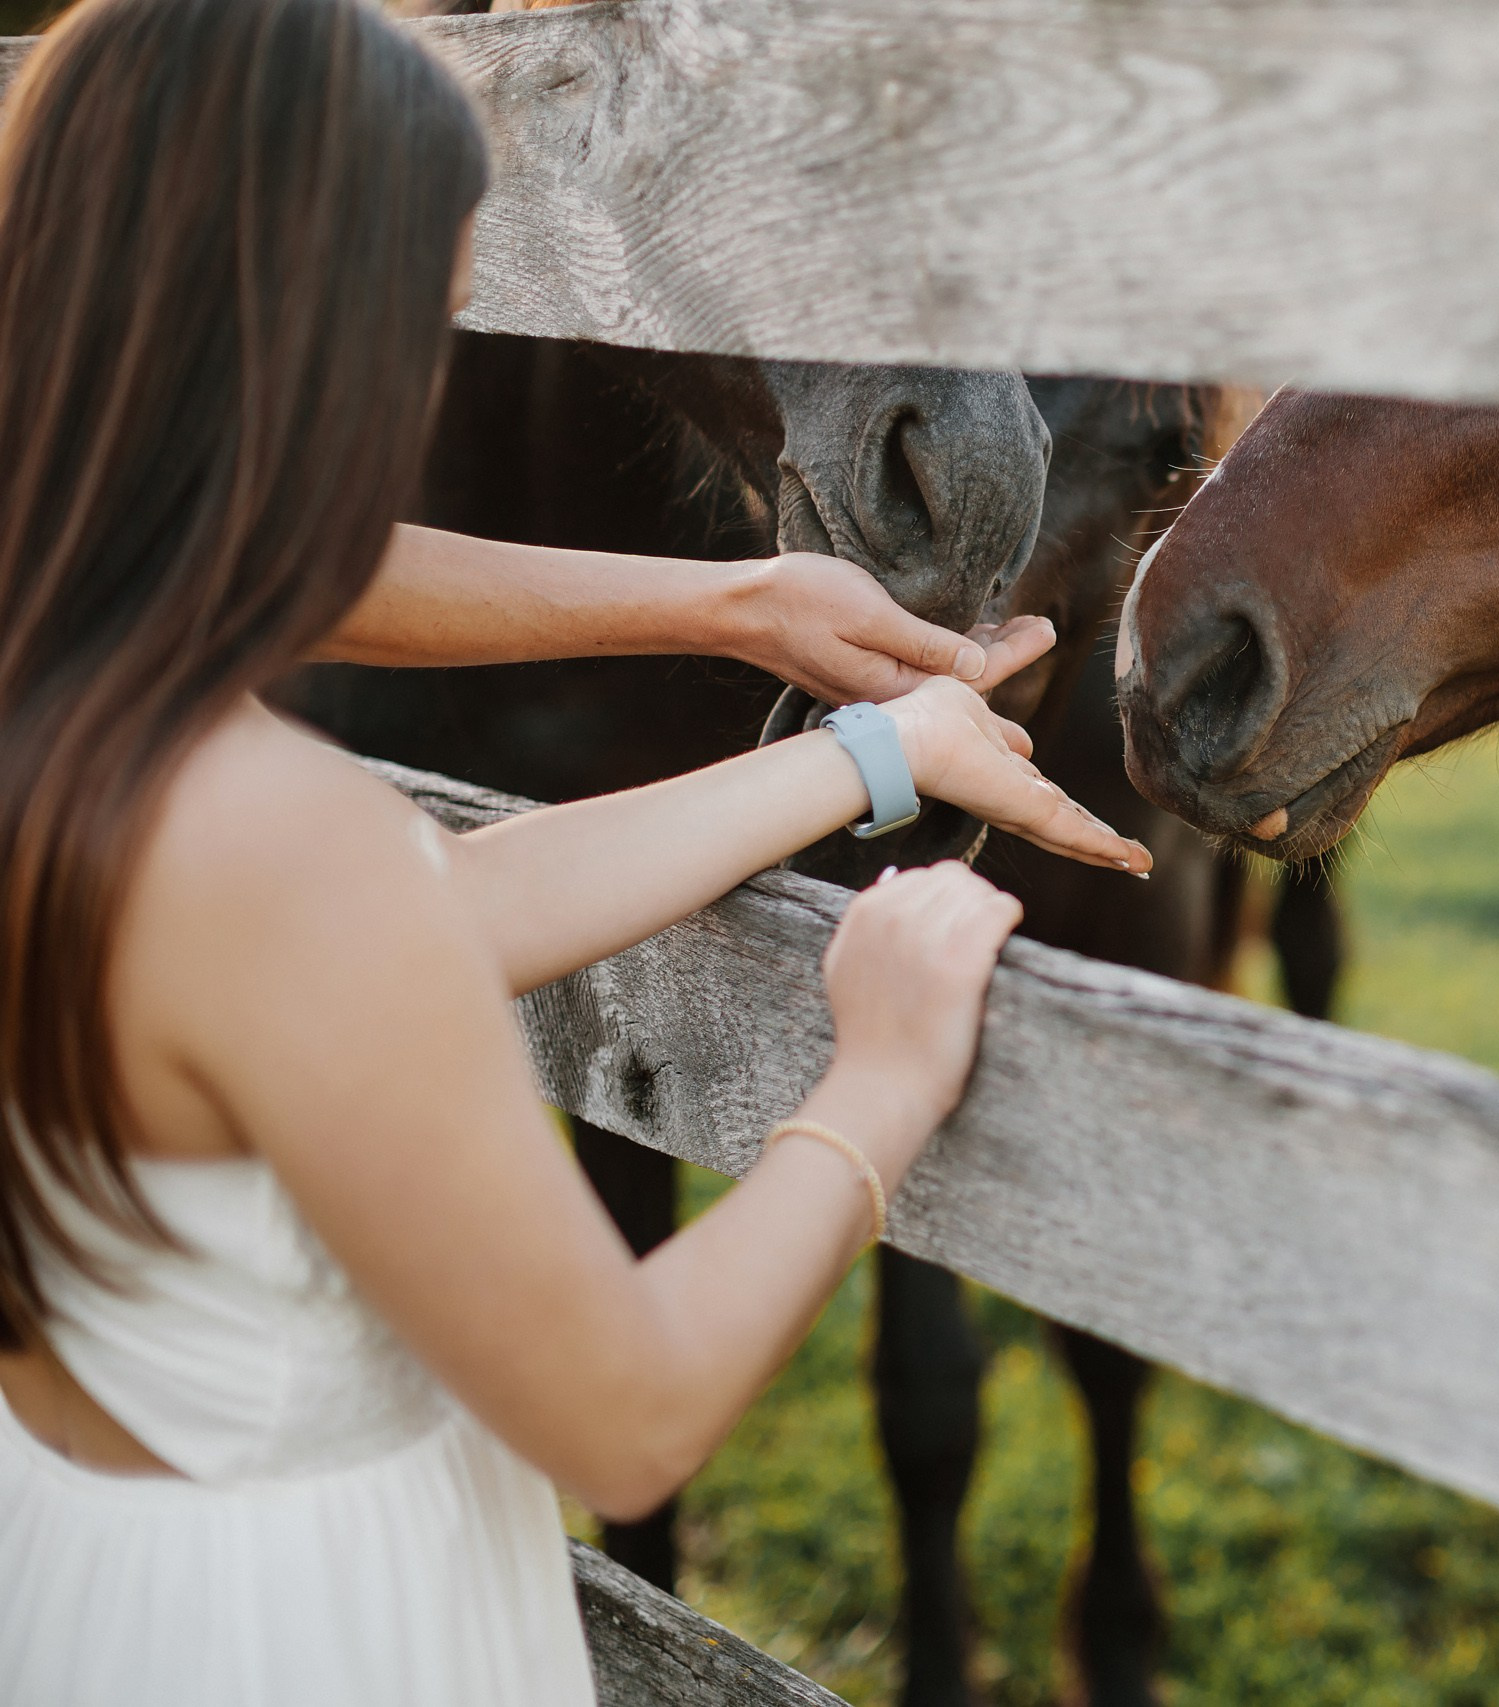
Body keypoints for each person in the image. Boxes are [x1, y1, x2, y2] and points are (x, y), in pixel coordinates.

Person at [0, 1, 1150, 1701]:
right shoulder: (276, 842)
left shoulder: (81, 725)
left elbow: (414, 917)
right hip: (315, 1636)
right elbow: (630, 1416)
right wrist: (880, 1088)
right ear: (300, 333)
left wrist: (860, 757)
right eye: (425, 309)